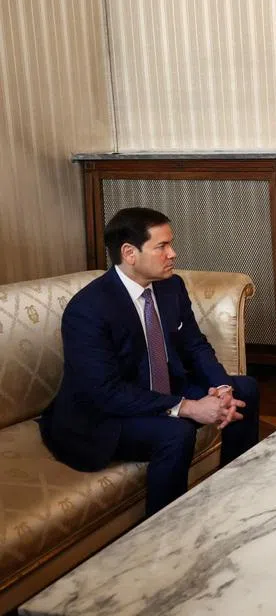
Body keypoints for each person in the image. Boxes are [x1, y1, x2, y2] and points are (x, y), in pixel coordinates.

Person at [38, 207, 260, 516]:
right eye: (162, 246)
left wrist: (222, 388)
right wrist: (187, 407)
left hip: (161, 389)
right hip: (105, 415)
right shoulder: (88, 309)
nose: (173, 253)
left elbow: (194, 345)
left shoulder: (171, 286)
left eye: (171, 244)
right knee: (176, 433)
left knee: (244, 389)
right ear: (129, 253)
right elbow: (106, 392)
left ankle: (237, 496)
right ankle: (165, 529)